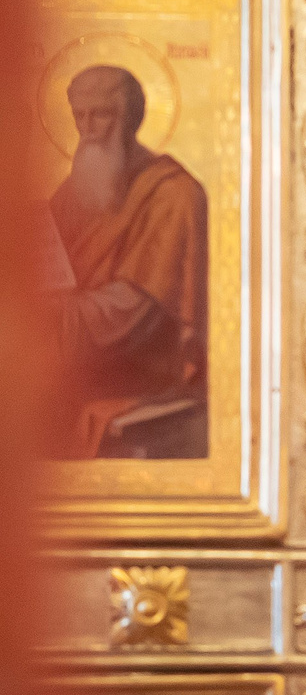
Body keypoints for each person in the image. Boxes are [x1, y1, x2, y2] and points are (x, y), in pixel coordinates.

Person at [47, 64, 209, 459]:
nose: (88, 128)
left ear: (130, 118)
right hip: (75, 365)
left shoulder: (173, 193)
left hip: (140, 375)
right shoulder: (75, 190)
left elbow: (136, 310)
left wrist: (52, 316)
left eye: (101, 115)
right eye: (79, 115)